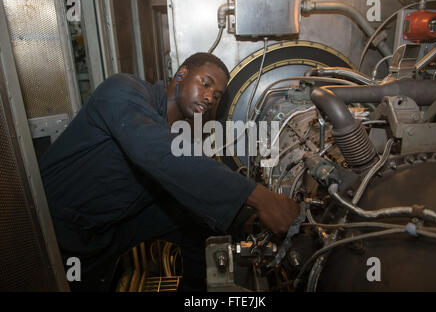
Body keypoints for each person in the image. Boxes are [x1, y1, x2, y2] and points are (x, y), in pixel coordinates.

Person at [39, 52, 300, 292]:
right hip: (53, 228)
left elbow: (182, 169)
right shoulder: (123, 90)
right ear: (181, 75)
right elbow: (158, 150)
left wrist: (248, 218)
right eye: (206, 83)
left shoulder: (175, 136)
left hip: (102, 234)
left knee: (197, 219)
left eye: (217, 95)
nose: (210, 97)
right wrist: (261, 197)